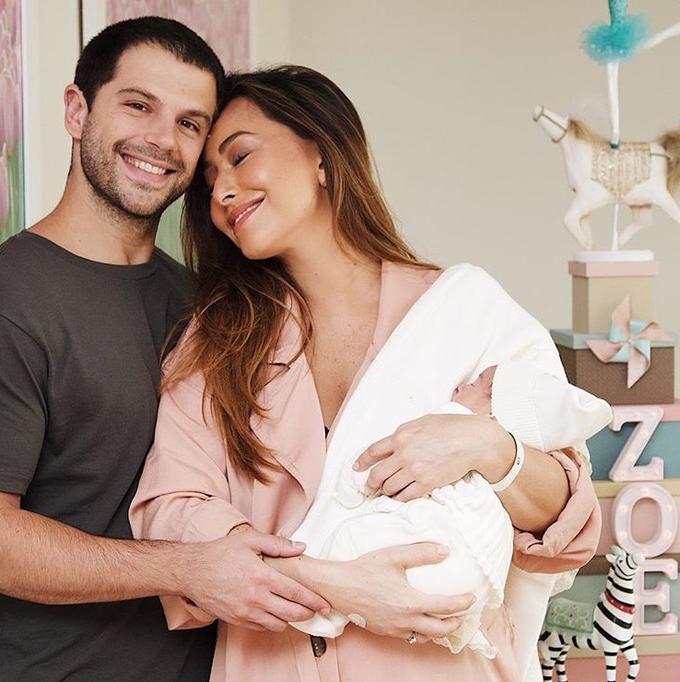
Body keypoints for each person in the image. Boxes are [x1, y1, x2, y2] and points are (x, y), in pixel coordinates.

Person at [130, 65, 602, 681]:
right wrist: (333, 585)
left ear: (323, 155)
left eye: (241, 157)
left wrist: (486, 447)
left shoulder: (462, 310)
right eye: (210, 180)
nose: (221, 192)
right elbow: (171, 516)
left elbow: (565, 523)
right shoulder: (215, 342)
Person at [0, 21, 331, 682]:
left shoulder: (211, 307)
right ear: (77, 110)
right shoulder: (14, 295)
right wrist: (185, 568)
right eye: (138, 105)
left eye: (189, 123)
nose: (162, 139)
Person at [290, 360, 612, 660]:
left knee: (347, 540)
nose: (462, 386)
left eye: (478, 384)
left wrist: (351, 484)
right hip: (474, 583)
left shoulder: (454, 419)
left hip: (429, 557)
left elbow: (371, 469)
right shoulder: (493, 500)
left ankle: (322, 615)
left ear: (495, 413)